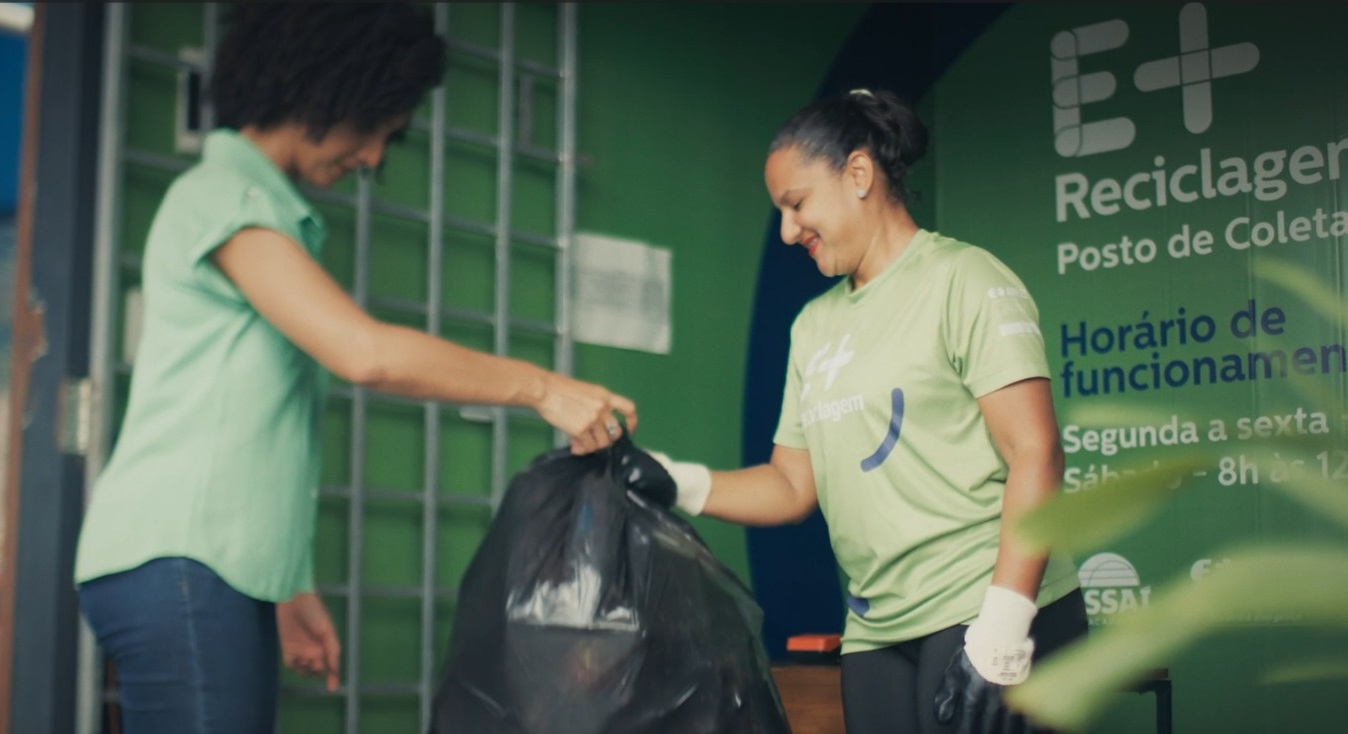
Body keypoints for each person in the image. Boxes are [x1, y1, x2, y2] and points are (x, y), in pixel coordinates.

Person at [72, 5, 636, 733]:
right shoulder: (221, 200)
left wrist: (289, 585)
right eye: (381, 127)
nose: (374, 157)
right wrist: (542, 386)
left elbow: (245, 423)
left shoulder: (249, 211)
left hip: (200, 570)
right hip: (177, 563)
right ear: (329, 90)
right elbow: (363, 353)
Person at [639, 89, 1086, 734]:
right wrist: (675, 481)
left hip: (986, 605)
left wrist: (1004, 629)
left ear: (858, 174)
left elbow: (1035, 453)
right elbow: (792, 486)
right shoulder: (813, 326)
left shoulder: (963, 279)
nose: (789, 231)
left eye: (796, 205)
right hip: (878, 628)